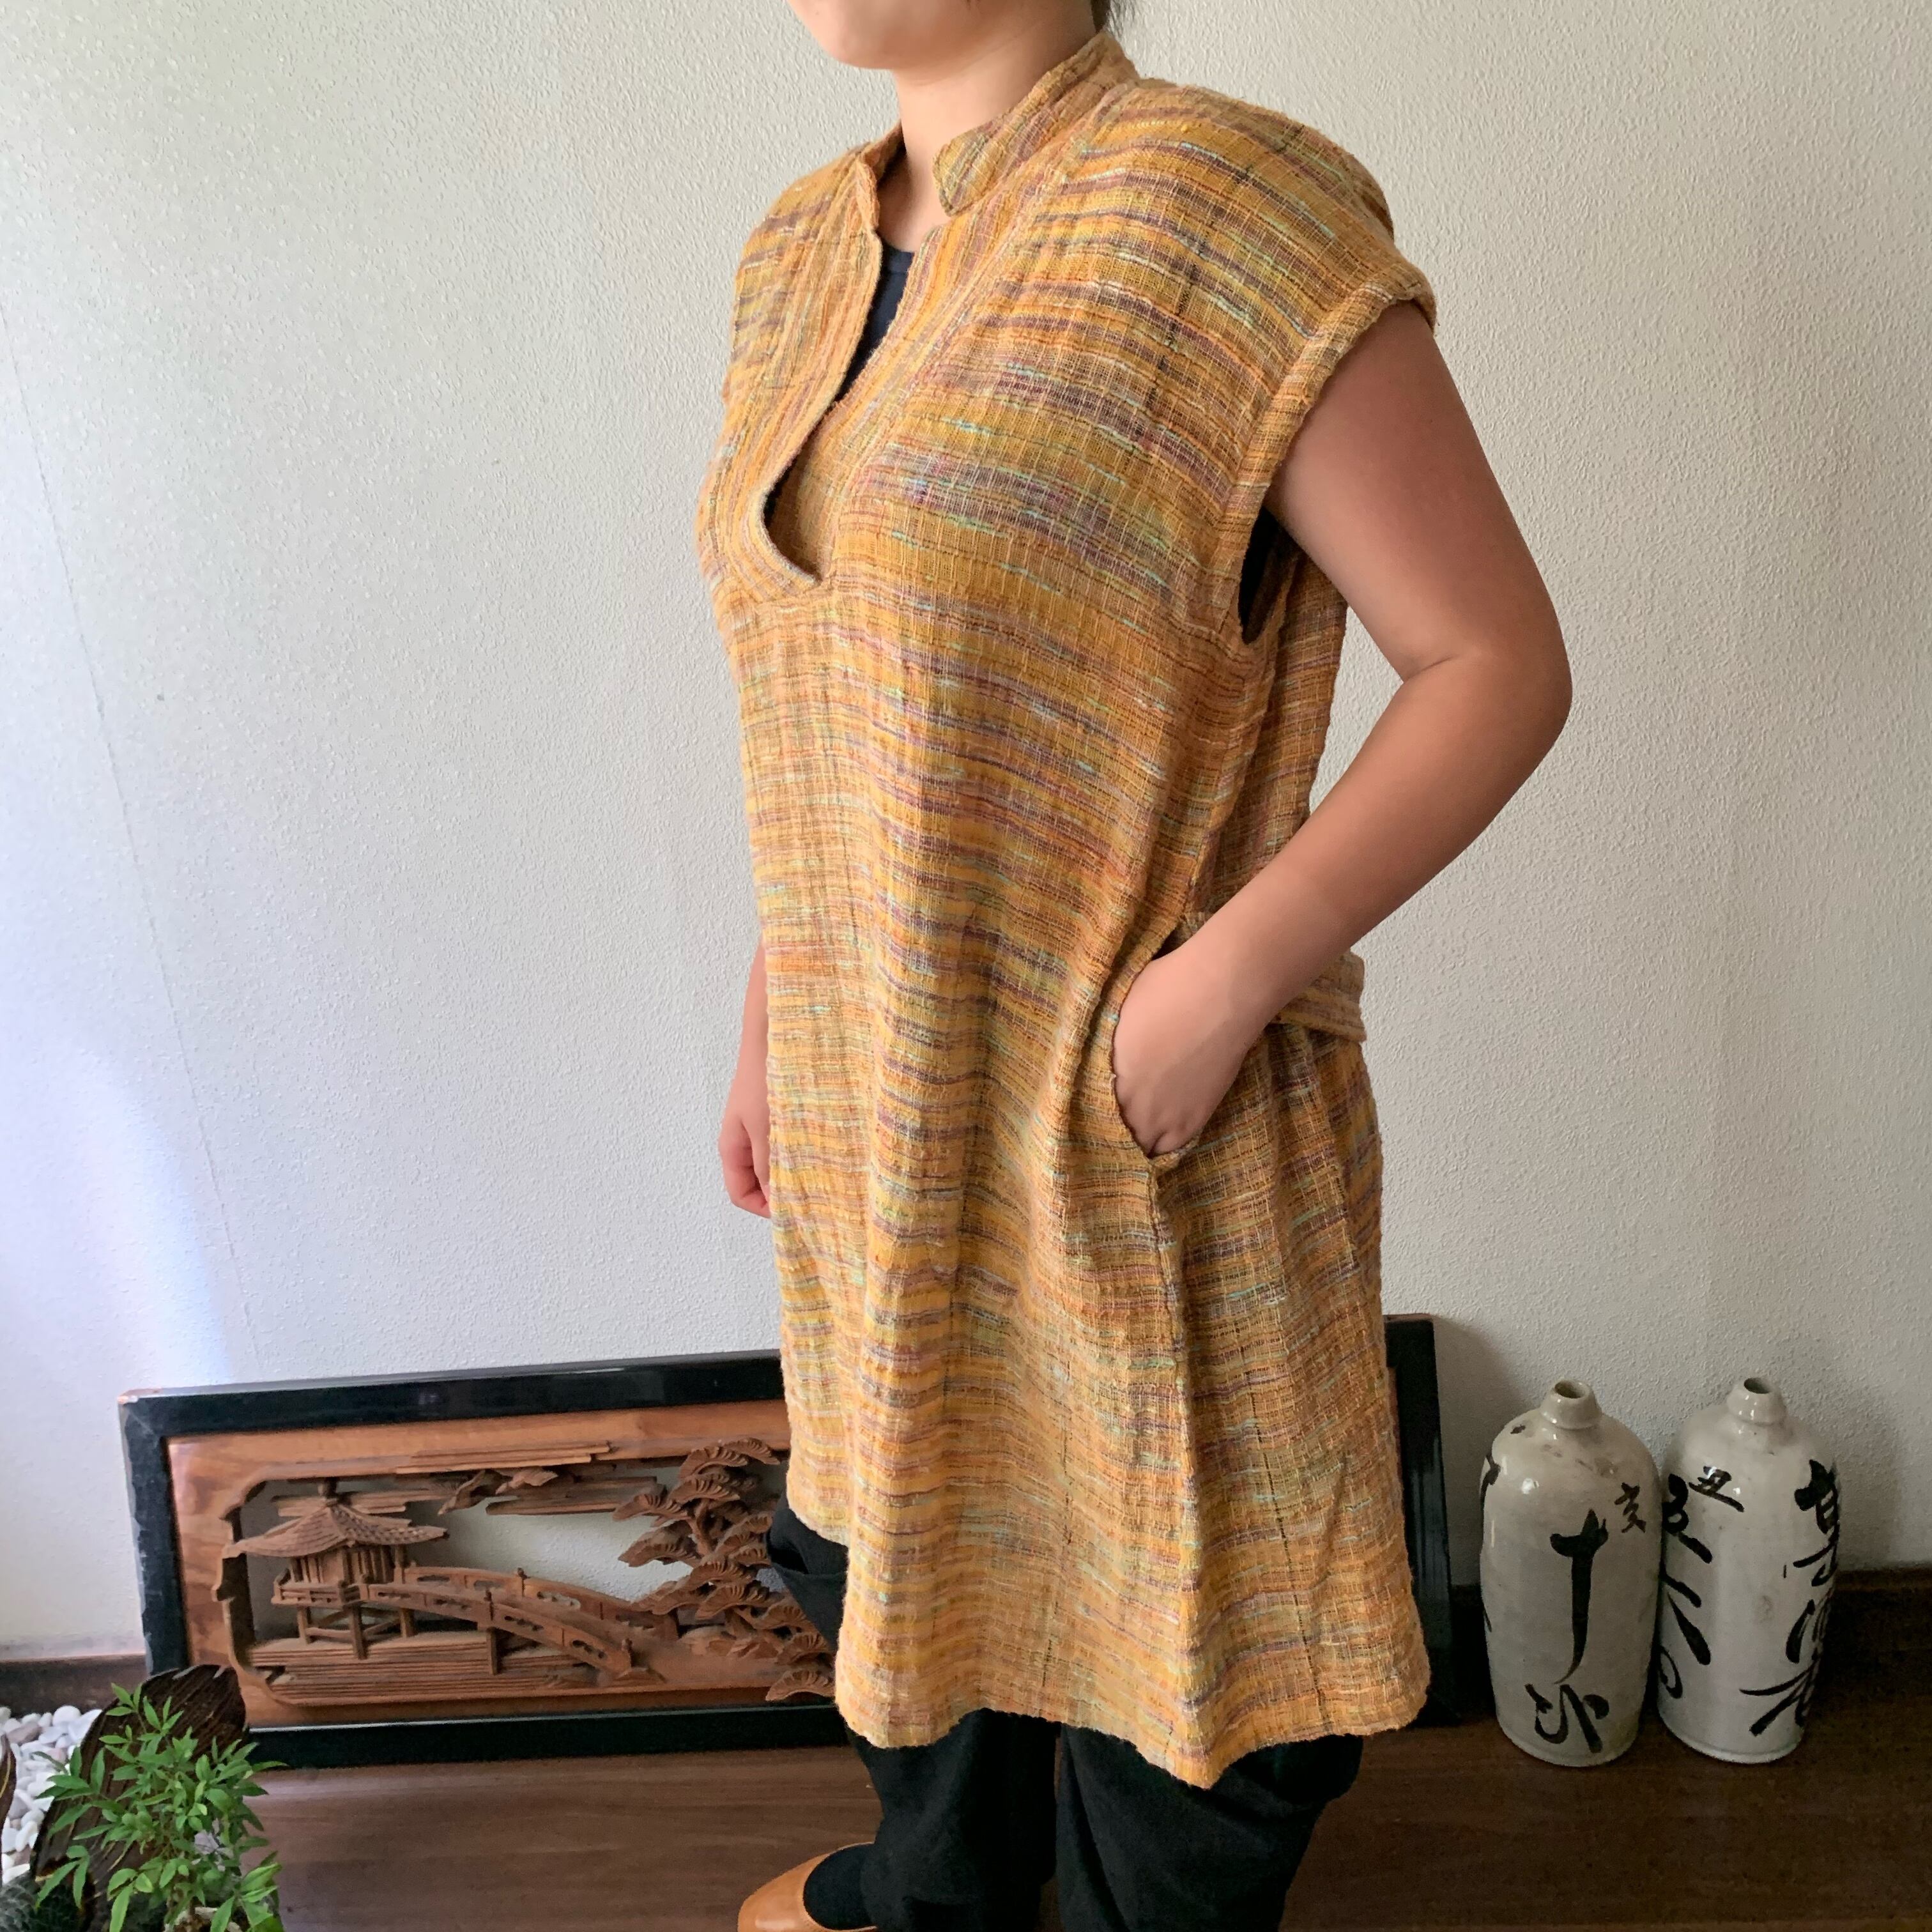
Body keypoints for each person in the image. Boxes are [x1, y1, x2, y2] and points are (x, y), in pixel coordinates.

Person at [699, 4, 1572, 1929]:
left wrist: (1222, 982)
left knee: (1184, 1613)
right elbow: (836, 693)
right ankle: (938, 1899)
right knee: (912, 1531)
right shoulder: (794, 254)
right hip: (877, 1095)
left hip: (1128, 1110)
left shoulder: (1228, 212)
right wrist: (778, 1006)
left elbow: (1495, 661)